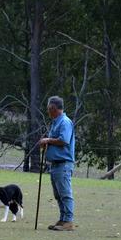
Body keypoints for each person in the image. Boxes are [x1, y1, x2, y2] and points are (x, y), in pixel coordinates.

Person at [39, 96, 75, 231]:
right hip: (55, 164)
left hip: (63, 164)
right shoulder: (55, 122)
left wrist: (48, 140)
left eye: (49, 109)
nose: (48, 111)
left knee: (65, 193)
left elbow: (64, 140)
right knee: (58, 194)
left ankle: (68, 221)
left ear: (54, 108)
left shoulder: (65, 122)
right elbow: (56, 141)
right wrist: (46, 144)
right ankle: (63, 219)